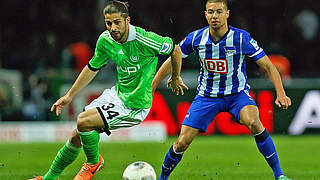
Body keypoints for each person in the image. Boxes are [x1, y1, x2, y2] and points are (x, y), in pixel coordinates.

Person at [29, 1, 186, 180]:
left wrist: (174, 76)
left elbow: (175, 49)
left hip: (134, 105)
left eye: (117, 22)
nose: (112, 28)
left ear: (128, 20)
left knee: (83, 122)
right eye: (108, 23)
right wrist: (69, 95)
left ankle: (93, 162)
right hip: (116, 95)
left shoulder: (144, 39)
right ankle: (48, 178)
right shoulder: (105, 40)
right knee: (77, 136)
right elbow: (92, 67)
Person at [154, 0, 292, 180]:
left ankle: (279, 175)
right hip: (207, 97)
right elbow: (175, 54)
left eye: (219, 12)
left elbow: (268, 65)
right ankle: (162, 178)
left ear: (227, 14)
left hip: (237, 95)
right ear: (205, 14)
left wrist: (281, 93)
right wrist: (153, 86)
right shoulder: (196, 38)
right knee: (181, 142)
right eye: (211, 12)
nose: (214, 16)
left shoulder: (241, 38)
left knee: (254, 122)